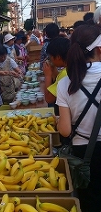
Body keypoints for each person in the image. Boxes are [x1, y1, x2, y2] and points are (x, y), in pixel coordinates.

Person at [56, 24, 101, 212]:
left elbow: (65, 130)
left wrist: (59, 120)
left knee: (89, 201)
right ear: (99, 49)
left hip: (84, 153)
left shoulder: (66, 80)